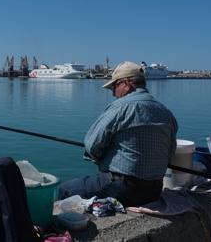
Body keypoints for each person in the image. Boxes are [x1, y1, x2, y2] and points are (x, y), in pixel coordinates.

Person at [57, 61, 178, 207]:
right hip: (154, 190)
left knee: (65, 190)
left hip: (123, 189)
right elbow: (170, 153)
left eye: (114, 87)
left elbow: (92, 145)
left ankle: (53, 228)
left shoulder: (121, 107)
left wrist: (102, 160)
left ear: (126, 84)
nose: (113, 93)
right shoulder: (166, 112)